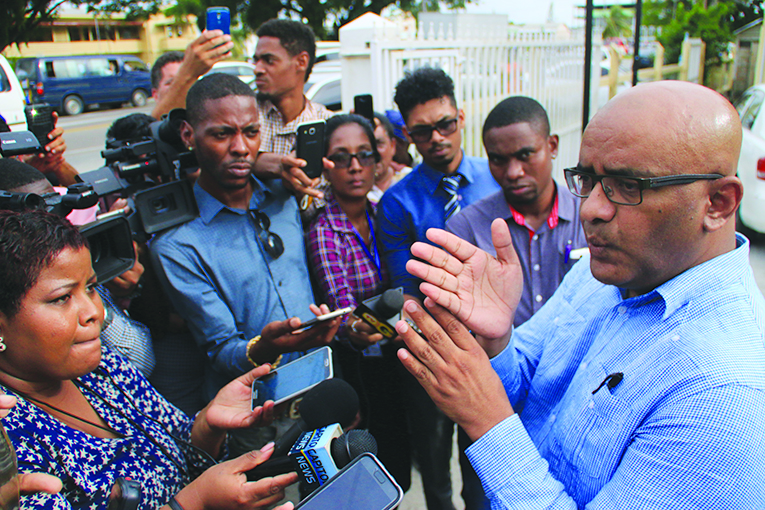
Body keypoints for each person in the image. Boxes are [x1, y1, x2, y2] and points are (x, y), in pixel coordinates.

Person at [396, 81, 765, 508]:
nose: (590, 209)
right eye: (587, 179)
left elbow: (499, 410)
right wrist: (497, 342)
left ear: (717, 202)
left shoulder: (725, 395)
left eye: (628, 186)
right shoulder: (605, 272)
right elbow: (528, 376)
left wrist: (489, 421)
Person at [0, 209, 299, 510]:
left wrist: (207, 427)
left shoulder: (107, 369)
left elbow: (183, 456)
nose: (96, 312)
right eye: (62, 298)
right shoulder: (7, 434)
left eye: (90, 288)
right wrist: (193, 504)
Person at [149, 73, 340, 454]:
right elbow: (220, 350)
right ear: (188, 135)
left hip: (320, 393)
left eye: (251, 132)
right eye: (222, 135)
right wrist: (267, 346)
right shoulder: (176, 244)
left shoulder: (285, 195)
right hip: (254, 419)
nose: (241, 148)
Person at [376, 67, 500, 510]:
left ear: (461, 117)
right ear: (408, 134)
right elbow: (404, 290)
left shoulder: (497, 179)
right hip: (433, 346)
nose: (438, 138)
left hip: (495, 346)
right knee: (433, 465)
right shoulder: (396, 202)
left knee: (486, 465)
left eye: (445, 124)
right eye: (423, 131)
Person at [305, 114, 409, 488]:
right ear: (324, 165)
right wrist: (383, 325)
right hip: (359, 367)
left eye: (364, 155)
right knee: (370, 469)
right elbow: (345, 313)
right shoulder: (324, 228)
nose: (354, 167)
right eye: (341, 157)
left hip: (395, 354)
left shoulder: (383, 208)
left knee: (400, 461)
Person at [0, 158, 154, 377]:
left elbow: (139, 358)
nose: (93, 313)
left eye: (57, 213)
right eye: (61, 298)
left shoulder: (73, 261)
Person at [446, 96, 586, 329]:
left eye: (525, 155)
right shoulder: (466, 229)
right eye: (498, 160)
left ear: (552, 146)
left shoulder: (589, 216)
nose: (513, 172)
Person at [251, 19, 333, 210]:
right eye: (256, 60)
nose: (257, 69)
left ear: (301, 62)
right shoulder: (243, 116)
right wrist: (277, 165)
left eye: (269, 60)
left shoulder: (327, 123)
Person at [150, 31, 234, 120]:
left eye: (193, 81)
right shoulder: (147, 128)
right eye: (172, 82)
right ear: (155, 95)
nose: (183, 87)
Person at [367, 112, 408, 205]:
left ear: (393, 146)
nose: (373, 152)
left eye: (378, 143)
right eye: (365, 146)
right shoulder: (351, 194)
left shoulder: (413, 180)